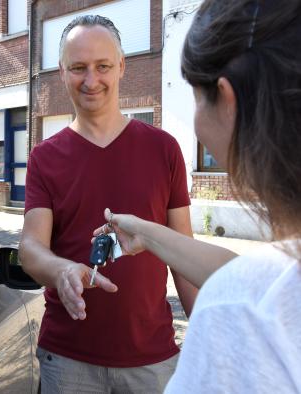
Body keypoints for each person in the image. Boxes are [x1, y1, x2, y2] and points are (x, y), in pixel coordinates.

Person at [94, 0, 301, 392]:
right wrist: (149, 234)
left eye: (194, 95)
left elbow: (250, 289)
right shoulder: (260, 290)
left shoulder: (239, 313)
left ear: (226, 99)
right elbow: (260, 278)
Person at [19, 15, 198, 393]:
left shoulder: (163, 149)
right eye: (78, 68)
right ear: (61, 72)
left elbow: (185, 252)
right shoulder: (44, 157)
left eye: (102, 66)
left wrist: (206, 334)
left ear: (121, 67)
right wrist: (62, 269)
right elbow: (31, 248)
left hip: (152, 357)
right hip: (67, 358)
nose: (91, 80)